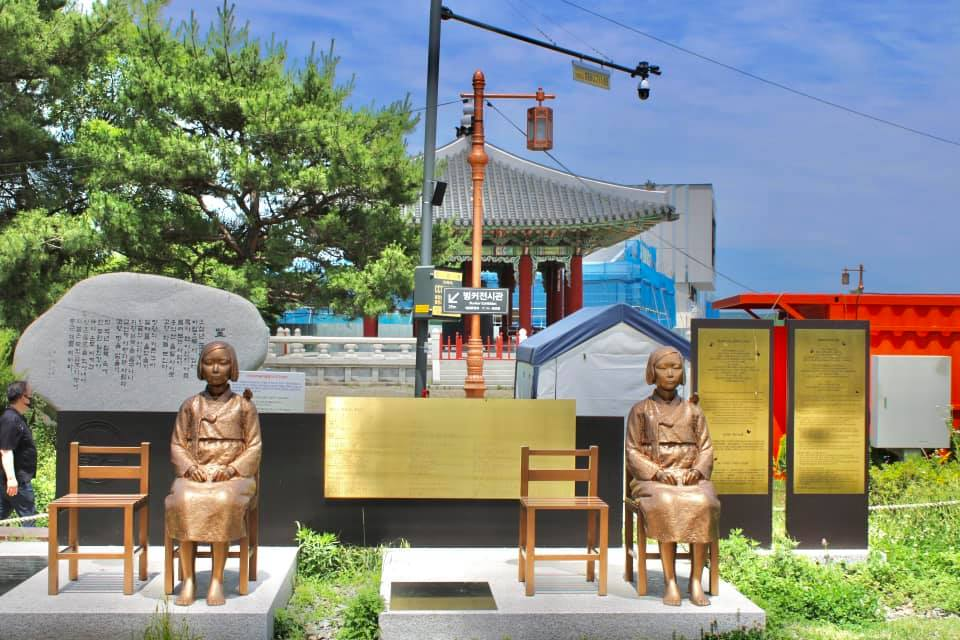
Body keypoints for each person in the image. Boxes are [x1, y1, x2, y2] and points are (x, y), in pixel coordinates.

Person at [165, 341, 261, 606]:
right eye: (209, 362)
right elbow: (176, 444)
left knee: (221, 502)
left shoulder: (244, 406)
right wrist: (190, 467)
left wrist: (232, 468)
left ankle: (217, 580)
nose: (216, 368)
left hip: (232, 478)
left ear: (233, 367)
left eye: (222, 362)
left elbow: (254, 445)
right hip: (195, 475)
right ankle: (189, 580)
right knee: (182, 502)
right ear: (201, 367)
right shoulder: (190, 405)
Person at [625, 346, 720, 606]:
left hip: (690, 479)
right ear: (651, 372)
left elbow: (707, 448)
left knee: (704, 503)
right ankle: (670, 581)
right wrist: (656, 472)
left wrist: (698, 470)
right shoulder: (640, 410)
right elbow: (632, 451)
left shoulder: (694, 411)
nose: (669, 373)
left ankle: (696, 580)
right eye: (663, 367)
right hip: (654, 481)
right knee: (667, 504)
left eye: (675, 368)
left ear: (682, 374)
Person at [1, 381, 38, 521]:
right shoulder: (10, 420)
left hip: (12, 480)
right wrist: (11, 479)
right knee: (29, 519)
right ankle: (33, 542)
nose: (31, 398)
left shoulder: (16, 418)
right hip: (16, 481)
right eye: (29, 395)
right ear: (22, 397)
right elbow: (5, 450)